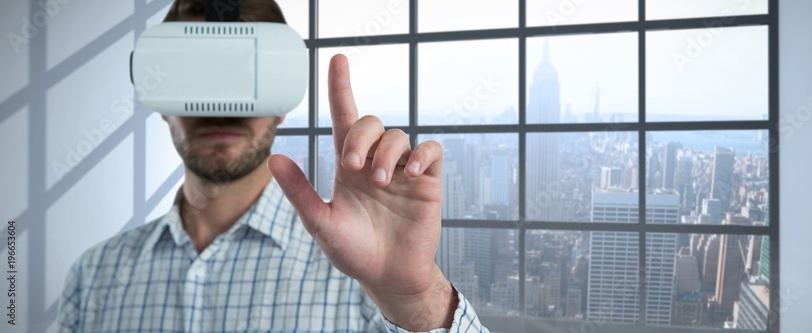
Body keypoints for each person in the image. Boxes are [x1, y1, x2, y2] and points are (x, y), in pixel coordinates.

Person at [56, 1, 488, 332]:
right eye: (194, 77)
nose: (220, 109)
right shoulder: (93, 276)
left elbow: (408, 300)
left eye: (248, 76)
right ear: (161, 98)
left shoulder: (365, 280)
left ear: (284, 100)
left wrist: (415, 298)